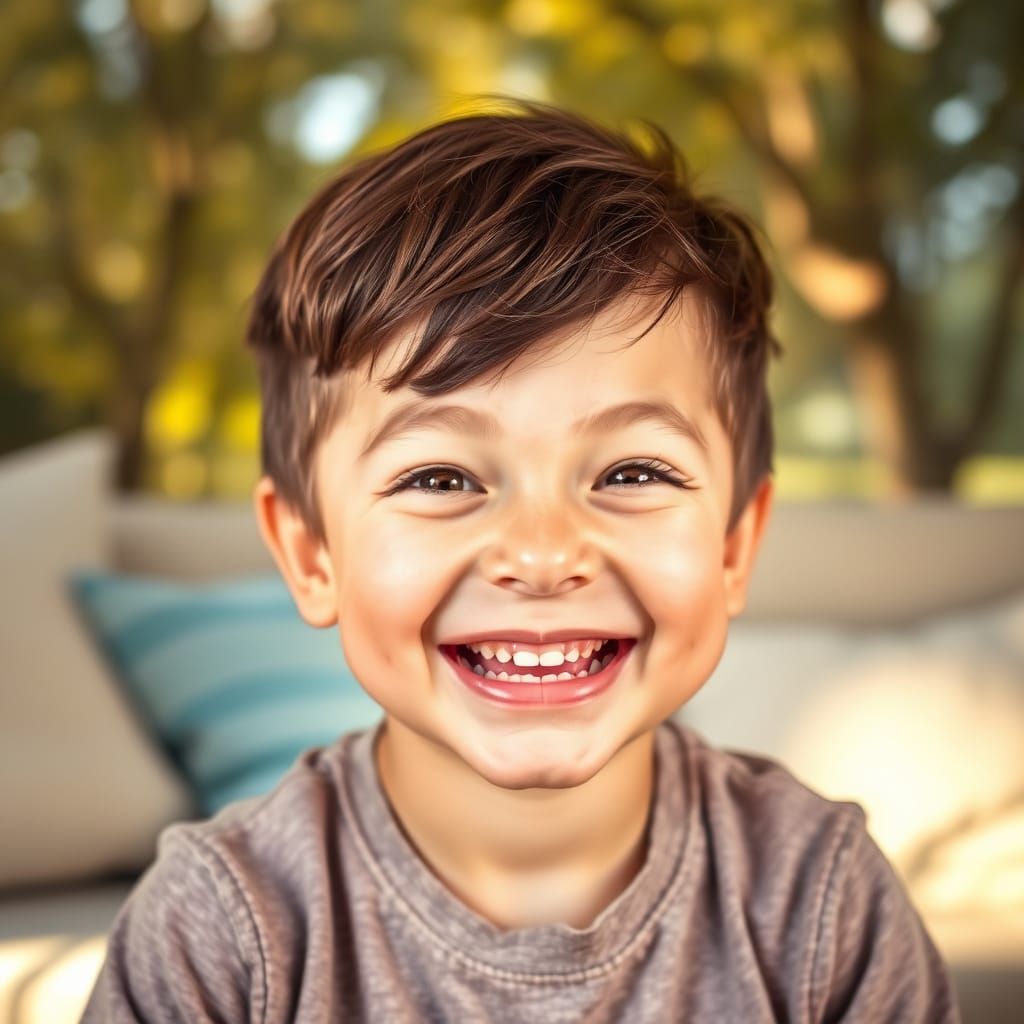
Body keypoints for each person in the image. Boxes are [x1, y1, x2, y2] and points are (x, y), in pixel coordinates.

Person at [81, 98, 960, 1022]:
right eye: (441, 476)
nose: (542, 555)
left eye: (630, 471)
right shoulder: (221, 934)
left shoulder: (819, 906)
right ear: (310, 552)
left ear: (737, 543)